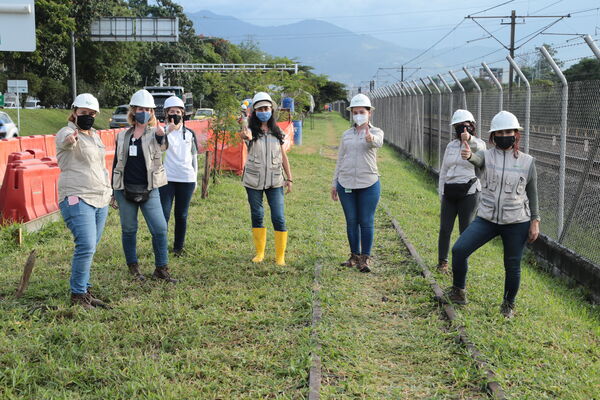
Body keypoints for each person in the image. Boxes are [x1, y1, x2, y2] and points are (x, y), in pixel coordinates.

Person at [440, 111, 540, 318]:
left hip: (516, 221)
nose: (505, 135)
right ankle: (458, 291)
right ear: (493, 136)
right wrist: (468, 156)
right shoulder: (486, 156)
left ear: (516, 134)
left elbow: (533, 193)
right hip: (487, 219)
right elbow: (476, 159)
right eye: (500, 132)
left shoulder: (527, 162)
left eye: (509, 131)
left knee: (512, 264)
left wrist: (535, 221)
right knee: (459, 250)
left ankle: (508, 305)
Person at [111, 89, 177, 283]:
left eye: (148, 109)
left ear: (152, 112)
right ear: (133, 110)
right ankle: (133, 267)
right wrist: (113, 191)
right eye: (140, 108)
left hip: (150, 187)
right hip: (124, 189)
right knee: (129, 229)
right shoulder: (122, 136)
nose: (144, 112)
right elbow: (116, 162)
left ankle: (161, 269)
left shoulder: (155, 132)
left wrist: (162, 134)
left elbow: (163, 145)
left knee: (159, 228)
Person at [56, 93, 111, 309]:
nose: (87, 116)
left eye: (91, 114)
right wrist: (71, 140)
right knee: (86, 245)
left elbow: (101, 167)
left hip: (100, 197)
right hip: (76, 197)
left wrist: (110, 191)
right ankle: (78, 295)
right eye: (83, 113)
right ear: (74, 112)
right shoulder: (67, 132)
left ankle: (85, 290)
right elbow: (66, 142)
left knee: (90, 248)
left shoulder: (96, 136)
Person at [331, 93, 384, 273]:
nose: (358, 115)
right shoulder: (346, 134)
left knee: (366, 221)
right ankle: (354, 256)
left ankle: (365, 258)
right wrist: (334, 182)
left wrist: (370, 139)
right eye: (355, 112)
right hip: (345, 182)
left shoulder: (376, 132)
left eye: (362, 111)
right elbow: (340, 159)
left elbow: (377, 143)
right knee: (351, 221)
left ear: (369, 113)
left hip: (369, 183)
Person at [240, 92, 293, 266]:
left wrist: (289, 178)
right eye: (261, 109)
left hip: (275, 181)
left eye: (267, 108)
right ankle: (260, 253)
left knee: (279, 217)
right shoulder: (250, 131)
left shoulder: (277, 132)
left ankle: (280, 257)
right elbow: (245, 135)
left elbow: (283, 156)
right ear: (255, 111)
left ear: (272, 110)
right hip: (253, 181)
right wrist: (244, 131)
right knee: (257, 214)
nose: (264, 111)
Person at [436, 110, 486, 273]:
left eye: (465, 125)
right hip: (450, 191)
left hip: (469, 192)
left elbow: (480, 151)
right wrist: (441, 190)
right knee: (445, 228)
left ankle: (461, 263)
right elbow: (444, 169)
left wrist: (469, 140)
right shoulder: (451, 146)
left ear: (472, 126)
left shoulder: (479, 143)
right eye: (457, 126)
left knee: (465, 230)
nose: (461, 129)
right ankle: (442, 262)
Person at [159, 96, 198, 257]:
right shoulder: (162, 131)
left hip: (186, 179)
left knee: (181, 215)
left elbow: (194, 156)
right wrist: (169, 130)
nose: (174, 114)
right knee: (164, 214)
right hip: (167, 179)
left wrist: (195, 179)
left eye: (177, 111)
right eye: (171, 112)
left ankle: (178, 248)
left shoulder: (189, 133)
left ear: (183, 113)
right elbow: (159, 149)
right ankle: (161, 247)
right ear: (166, 114)